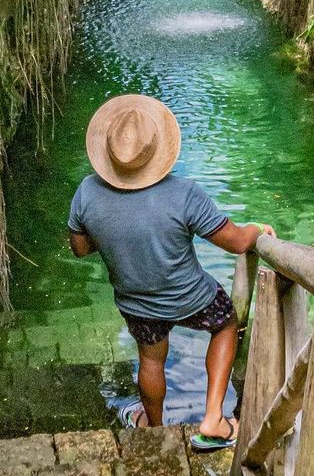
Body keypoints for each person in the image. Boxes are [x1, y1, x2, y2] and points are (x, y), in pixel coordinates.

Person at [67, 94, 275, 451]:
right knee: (226, 325)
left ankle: (155, 428)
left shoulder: (87, 192)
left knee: (150, 358)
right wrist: (258, 228)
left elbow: (81, 248)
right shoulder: (184, 194)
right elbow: (238, 243)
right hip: (192, 298)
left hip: (136, 302)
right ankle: (214, 418)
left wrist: (118, 231)